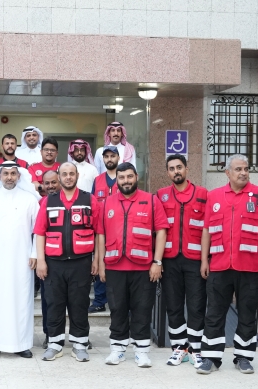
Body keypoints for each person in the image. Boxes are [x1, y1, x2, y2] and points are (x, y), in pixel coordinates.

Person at [198, 154, 258, 375]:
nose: (243, 172)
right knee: (214, 313)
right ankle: (211, 358)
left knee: (247, 313)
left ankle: (244, 356)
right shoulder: (214, 197)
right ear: (228, 173)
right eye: (238, 169)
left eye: (246, 168)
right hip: (220, 267)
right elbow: (206, 231)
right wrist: (204, 259)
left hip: (250, 268)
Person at [96, 163, 168, 367]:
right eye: (121, 178)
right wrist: (101, 264)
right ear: (116, 180)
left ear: (136, 177)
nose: (126, 181)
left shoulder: (151, 201)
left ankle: (142, 351)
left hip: (143, 268)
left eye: (129, 176)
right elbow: (100, 235)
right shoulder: (107, 203)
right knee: (117, 309)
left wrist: (157, 261)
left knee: (142, 309)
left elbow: (161, 231)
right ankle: (117, 350)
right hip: (114, 267)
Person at [0, 162, 40, 358]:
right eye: (6, 174)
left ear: (19, 176)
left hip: (21, 261)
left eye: (13, 174)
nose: (9, 177)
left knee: (20, 300)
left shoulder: (29, 199)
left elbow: (38, 231)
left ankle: (22, 344)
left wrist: (35, 254)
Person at [35, 162, 98, 362]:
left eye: (71, 173)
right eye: (64, 174)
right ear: (60, 177)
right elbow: (40, 232)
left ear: (77, 175)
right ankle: (55, 344)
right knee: (54, 303)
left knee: (79, 303)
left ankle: (80, 344)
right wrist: (41, 261)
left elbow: (99, 233)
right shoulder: (48, 201)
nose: (68, 177)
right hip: (54, 263)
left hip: (81, 262)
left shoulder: (89, 199)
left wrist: (97, 259)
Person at [156, 154, 208, 367]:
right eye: (171, 168)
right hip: (169, 261)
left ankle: (195, 348)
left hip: (195, 260)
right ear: (167, 172)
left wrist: (205, 260)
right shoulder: (160, 195)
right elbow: (157, 229)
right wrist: (156, 261)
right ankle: (179, 348)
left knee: (196, 305)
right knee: (174, 306)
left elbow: (207, 230)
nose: (176, 171)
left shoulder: (203, 194)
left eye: (179, 167)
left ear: (186, 169)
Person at [89, 145, 120, 313]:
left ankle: (117, 301)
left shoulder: (124, 177)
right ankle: (99, 301)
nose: (109, 159)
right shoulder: (98, 180)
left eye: (112, 156)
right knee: (101, 261)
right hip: (101, 228)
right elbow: (94, 204)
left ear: (118, 158)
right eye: (106, 156)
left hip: (120, 228)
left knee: (117, 265)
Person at [37, 170, 61, 345]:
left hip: (72, 259)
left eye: (54, 182)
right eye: (47, 183)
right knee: (49, 300)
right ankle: (49, 334)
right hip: (49, 259)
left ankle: (81, 336)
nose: (51, 186)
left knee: (76, 301)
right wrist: (40, 260)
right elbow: (39, 233)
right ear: (43, 185)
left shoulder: (74, 199)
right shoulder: (41, 203)